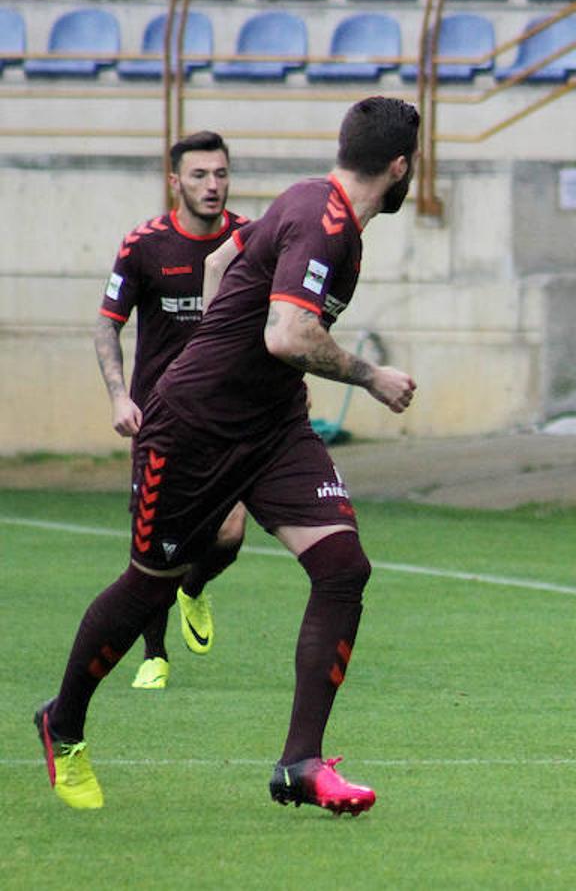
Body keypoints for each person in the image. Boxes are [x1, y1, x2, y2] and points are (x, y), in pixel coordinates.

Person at [35, 96, 420, 813]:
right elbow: (287, 336)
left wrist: (229, 353)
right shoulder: (322, 220)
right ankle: (62, 724)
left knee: (342, 566)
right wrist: (370, 376)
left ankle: (299, 765)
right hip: (191, 431)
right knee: (151, 584)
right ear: (399, 167)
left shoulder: (307, 201)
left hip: (273, 429)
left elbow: (219, 267)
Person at [95, 131, 249, 691]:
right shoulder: (144, 246)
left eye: (221, 174)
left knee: (230, 532)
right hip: (161, 416)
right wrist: (119, 395)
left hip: (227, 415)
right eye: (200, 175)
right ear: (175, 181)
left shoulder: (247, 240)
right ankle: (155, 655)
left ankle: (192, 588)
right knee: (156, 536)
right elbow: (107, 325)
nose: (212, 185)